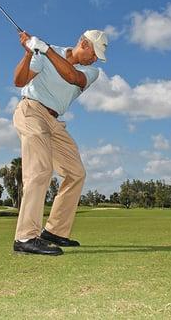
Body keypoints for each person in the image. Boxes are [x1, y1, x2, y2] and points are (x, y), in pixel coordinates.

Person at [12, 29, 108, 255]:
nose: (95, 60)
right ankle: (25, 237)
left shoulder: (91, 72)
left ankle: (54, 231)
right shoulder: (48, 52)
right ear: (83, 43)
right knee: (40, 170)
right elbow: (19, 81)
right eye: (94, 53)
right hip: (31, 110)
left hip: (55, 122)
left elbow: (72, 77)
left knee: (76, 173)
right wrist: (29, 53)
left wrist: (44, 50)